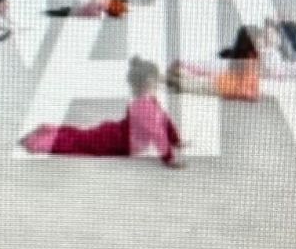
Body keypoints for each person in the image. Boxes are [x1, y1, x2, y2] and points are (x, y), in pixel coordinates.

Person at [21, 57, 183, 168]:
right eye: (158, 78)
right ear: (149, 81)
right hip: (116, 142)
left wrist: (176, 140)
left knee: (81, 137)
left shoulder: (149, 100)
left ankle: (48, 129)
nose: (160, 81)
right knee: (78, 144)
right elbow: (157, 132)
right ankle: (35, 142)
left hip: (116, 134)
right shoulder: (145, 105)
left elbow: (165, 121)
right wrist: (169, 158)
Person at [168, 27, 261, 101]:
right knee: (196, 83)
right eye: (258, 40)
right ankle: (176, 75)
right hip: (220, 85)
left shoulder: (249, 60)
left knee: (197, 81)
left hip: (220, 83)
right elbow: (248, 92)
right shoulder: (248, 60)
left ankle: (177, 74)